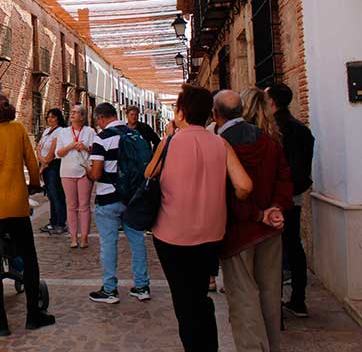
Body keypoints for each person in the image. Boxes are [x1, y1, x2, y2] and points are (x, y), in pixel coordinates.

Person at [148, 84, 253, 352]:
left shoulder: (169, 142)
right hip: (211, 234)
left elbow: (149, 174)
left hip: (172, 236)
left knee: (184, 303)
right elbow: (244, 186)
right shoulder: (220, 142)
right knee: (199, 297)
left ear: (181, 112)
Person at [0, 94, 55, 336]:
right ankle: (33, 315)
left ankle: (1, 322)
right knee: (29, 257)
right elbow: (33, 165)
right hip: (16, 204)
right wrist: (34, 184)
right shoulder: (17, 129)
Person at [215, 90, 293, 352]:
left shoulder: (220, 145)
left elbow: (227, 194)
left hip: (238, 235)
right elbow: (284, 178)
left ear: (216, 115)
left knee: (244, 299)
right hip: (270, 230)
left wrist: (257, 214)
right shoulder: (269, 141)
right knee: (271, 295)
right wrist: (277, 209)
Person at [86, 102, 151, 304]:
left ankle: (110, 289)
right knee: (137, 240)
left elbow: (96, 173)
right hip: (133, 198)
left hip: (108, 198)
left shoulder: (102, 138)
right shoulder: (136, 135)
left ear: (101, 118)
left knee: (108, 243)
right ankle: (141, 286)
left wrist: (87, 170)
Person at [266, 84, 314, 318]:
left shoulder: (275, 130)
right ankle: (298, 299)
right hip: (294, 197)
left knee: (274, 250)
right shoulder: (302, 129)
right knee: (294, 246)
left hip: (278, 198)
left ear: (272, 101)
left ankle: (274, 304)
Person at [55, 104, 96, 249]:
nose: (73, 114)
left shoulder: (90, 132)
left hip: (85, 171)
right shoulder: (64, 133)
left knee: (84, 206)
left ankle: (84, 237)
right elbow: (58, 153)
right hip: (67, 172)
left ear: (83, 117)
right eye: (71, 112)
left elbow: (96, 150)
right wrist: (71, 146)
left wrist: (84, 147)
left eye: (77, 112)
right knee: (71, 206)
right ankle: (73, 237)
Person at [37, 109, 67, 234]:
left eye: (53, 117)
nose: (50, 119)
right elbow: (38, 147)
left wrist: (44, 165)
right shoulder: (46, 131)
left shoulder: (60, 132)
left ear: (58, 118)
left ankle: (60, 223)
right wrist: (41, 160)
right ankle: (53, 221)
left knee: (57, 195)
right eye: (48, 117)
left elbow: (52, 151)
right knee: (50, 195)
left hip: (53, 166)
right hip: (45, 165)